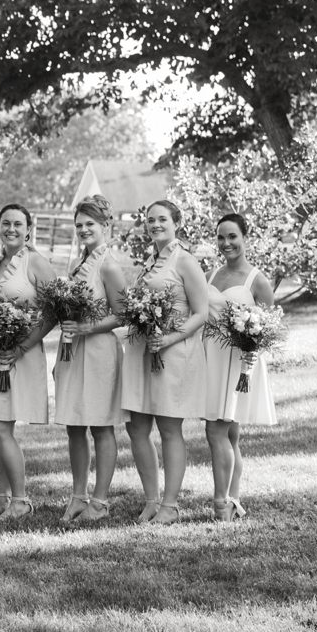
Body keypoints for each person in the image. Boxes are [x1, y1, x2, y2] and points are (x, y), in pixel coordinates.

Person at [120, 199, 209, 525]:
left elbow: (201, 313)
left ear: (177, 222)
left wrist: (169, 339)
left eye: (162, 219)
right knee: (137, 427)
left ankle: (170, 505)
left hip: (173, 353)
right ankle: (151, 500)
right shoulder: (150, 262)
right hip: (144, 352)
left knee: (169, 428)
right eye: (150, 220)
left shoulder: (185, 261)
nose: (155, 224)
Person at [0, 203, 54, 521]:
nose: (11, 229)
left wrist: (22, 346)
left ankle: (21, 500)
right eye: (5, 223)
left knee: (0, 428)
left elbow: (54, 311)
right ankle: (4, 498)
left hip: (20, 354)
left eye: (18, 224)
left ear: (28, 229)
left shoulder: (36, 262)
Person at [53, 194, 126, 523]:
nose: (83, 229)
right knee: (74, 426)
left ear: (105, 225)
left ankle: (99, 501)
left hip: (97, 351)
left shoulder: (108, 265)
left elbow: (123, 315)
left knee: (100, 426)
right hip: (73, 351)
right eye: (79, 225)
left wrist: (86, 327)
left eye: (90, 224)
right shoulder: (79, 264)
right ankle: (78, 495)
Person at [202, 213, 277, 522]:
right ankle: (233, 499)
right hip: (213, 359)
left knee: (215, 430)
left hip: (239, 363)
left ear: (245, 237)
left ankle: (221, 503)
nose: (226, 243)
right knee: (230, 437)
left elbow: (270, 328)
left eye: (232, 236)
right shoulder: (212, 275)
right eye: (221, 237)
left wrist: (253, 350)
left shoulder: (256, 279)